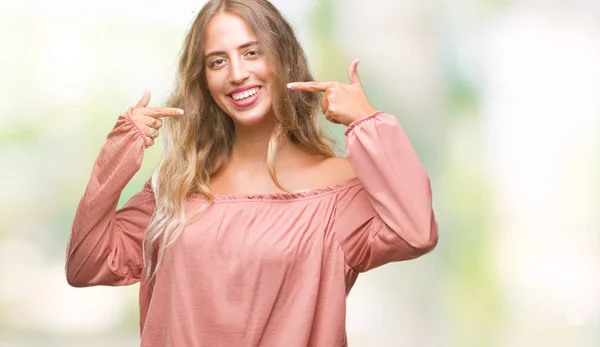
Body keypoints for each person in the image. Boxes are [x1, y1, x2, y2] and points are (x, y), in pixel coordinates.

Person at [65, 0, 439, 346]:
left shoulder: (340, 188)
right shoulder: (176, 184)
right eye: (217, 61)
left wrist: (367, 122)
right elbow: (86, 265)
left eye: (252, 52)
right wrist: (119, 149)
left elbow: (416, 233)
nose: (237, 74)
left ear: (284, 58)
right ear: (204, 80)